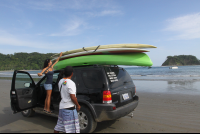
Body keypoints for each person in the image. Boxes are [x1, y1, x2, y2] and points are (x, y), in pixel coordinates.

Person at [54, 66, 81, 133]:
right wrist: (78, 105)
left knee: (59, 126)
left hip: (62, 108)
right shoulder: (71, 83)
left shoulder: (61, 81)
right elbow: (72, 97)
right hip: (69, 109)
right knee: (71, 130)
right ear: (72, 73)